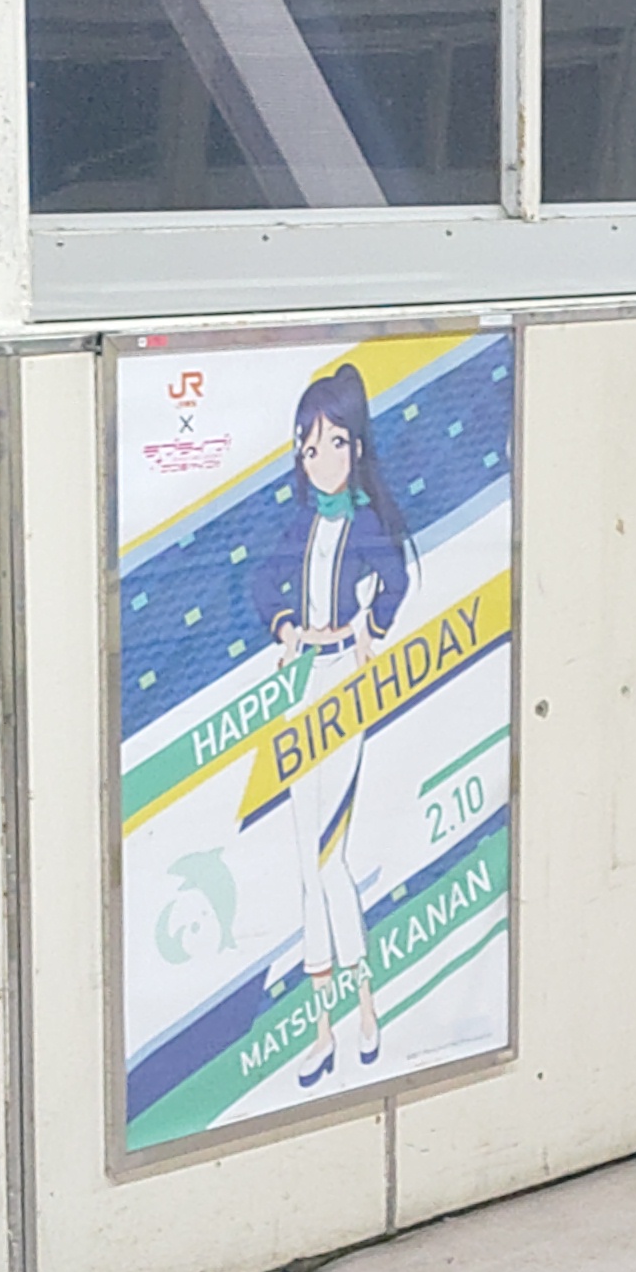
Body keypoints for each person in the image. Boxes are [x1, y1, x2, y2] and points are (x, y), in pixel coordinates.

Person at [268, 358, 414, 1093]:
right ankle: (322, 1028)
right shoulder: (303, 523)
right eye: (309, 446)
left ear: (355, 446)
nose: (321, 458)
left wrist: (371, 631)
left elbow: (398, 579)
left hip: (344, 690)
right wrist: (285, 626)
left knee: (330, 858)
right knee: (307, 864)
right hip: (302, 685)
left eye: (334, 443)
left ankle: (365, 1006)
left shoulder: (365, 521)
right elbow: (258, 581)